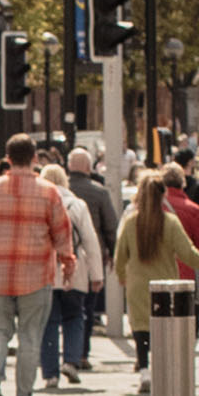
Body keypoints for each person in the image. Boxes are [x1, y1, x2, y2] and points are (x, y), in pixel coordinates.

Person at [0, 131, 74, 396]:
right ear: (35, 159)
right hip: (36, 274)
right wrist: (67, 262)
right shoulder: (49, 192)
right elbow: (62, 232)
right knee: (30, 335)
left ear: (7, 159)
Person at [113, 170, 199, 394]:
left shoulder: (131, 223)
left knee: (140, 329)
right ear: (162, 195)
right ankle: (162, 372)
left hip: (137, 284)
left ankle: (144, 370)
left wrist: (122, 277)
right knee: (162, 329)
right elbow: (188, 253)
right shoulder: (170, 222)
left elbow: (121, 256)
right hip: (164, 284)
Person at [37, 160, 101, 390]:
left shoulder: (40, 202)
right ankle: (72, 361)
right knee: (75, 316)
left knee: (49, 321)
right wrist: (97, 274)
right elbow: (90, 241)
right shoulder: (77, 205)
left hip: (46, 268)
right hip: (76, 268)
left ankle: (50, 373)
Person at [63, 146, 117, 371]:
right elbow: (110, 228)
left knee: (57, 314)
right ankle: (80, 354)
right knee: (85, 310)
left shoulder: (59, 192)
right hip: (89, 259)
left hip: (60, 259)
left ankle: (58, 358)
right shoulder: (99, 192)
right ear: (88, 167)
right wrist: (113, 254)